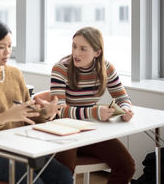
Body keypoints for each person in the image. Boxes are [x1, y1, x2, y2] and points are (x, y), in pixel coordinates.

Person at [0, 19, 73, 184]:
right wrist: (5, 117)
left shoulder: (15, 73)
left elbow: (27, 114)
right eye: (1, 47)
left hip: (19, 146)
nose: (7, 52)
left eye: (9, 46)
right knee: (34, 181)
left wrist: (44, 114)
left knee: (63, 176)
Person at [50, 26, 135, 184]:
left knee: (127, 166)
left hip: (90, 131)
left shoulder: (106, 68)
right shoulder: (60, 69)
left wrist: (125, 110)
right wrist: (94, 112)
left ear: (97, 52)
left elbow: (123, 97)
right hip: (64, 132)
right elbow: (59, 111)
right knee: (63, 173)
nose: (76, 53)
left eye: (83, 49)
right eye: (74, 46)